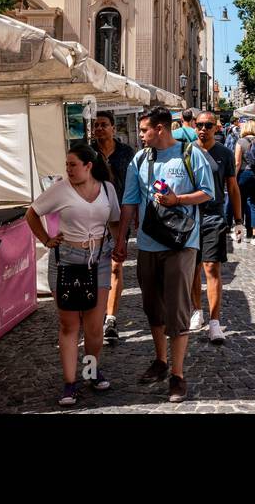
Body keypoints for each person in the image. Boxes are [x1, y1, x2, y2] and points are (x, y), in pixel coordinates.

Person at [113, 106, 214, 403]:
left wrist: (177, 199)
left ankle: (178, 375)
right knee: (152, 307)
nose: (141, 135)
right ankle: (160, 360)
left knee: (178, 310)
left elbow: (207, 192)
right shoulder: (139, 159)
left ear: (160, 129)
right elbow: (129, 203)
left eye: (144, 130)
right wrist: (121, 241)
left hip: (181, 243)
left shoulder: (190, 154)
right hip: (147, 243)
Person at [26, 143, 121, 406]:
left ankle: (91, 372)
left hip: (99, 260)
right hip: (67, 260)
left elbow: (114, 219)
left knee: (93, 326)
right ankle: (69, 384)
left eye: (73, 165)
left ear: (88, 166)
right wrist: (46, 240)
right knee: (69, 325)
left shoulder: (107, 189)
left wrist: (119, 246)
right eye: (67, 165)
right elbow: (32, 213)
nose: (68, 170)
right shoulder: (60, 189)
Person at [188, 111, 244, 343]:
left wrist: (239, 221)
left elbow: (232, 187)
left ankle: (214, 322)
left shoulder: (224, 154)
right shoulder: (187, 151)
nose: (203, 129)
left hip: (213, 217)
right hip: (189, 217)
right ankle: (196, 311)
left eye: (208, 125)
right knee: (192, 268)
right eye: (199, 125)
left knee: (211, 268)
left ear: (216, 128)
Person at [91, 111, 136, 344]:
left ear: (113, 129)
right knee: (95, 267)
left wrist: (135, 214)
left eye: (103, 125)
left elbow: (134, 184)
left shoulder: (127, 153)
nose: (99, 129)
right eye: (96, 125)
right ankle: (95, 314)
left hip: (119, 217)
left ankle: (111, 318)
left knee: (116, 267)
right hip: (91, 216)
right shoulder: (87, 151)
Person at [234, 121, 255, 245]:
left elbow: (237, 163)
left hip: (244, 175)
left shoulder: (240, 142)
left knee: (240, 205)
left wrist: (232, 178)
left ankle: (239, 234)